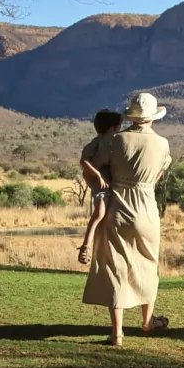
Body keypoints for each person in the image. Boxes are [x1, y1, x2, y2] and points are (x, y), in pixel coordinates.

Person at [82, 92, 173, 346]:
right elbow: (156, 177)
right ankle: (147, 321)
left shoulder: (113, 141)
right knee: (149, 263)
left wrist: (106, 187)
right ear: (152, 117)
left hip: (118, 207)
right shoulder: (162, 144)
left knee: (116, 267)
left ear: (132, 116)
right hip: (147, 208)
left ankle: (117, 333)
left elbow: (93, 167)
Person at [77, 109, 123, 265]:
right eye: (119, 128)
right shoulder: (97, 143)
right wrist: (97, 175)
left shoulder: (112, 143)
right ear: (112, 129)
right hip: (101, 183)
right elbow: (84, 161)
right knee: (99, 213)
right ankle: (86, 247)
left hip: (110, 184)